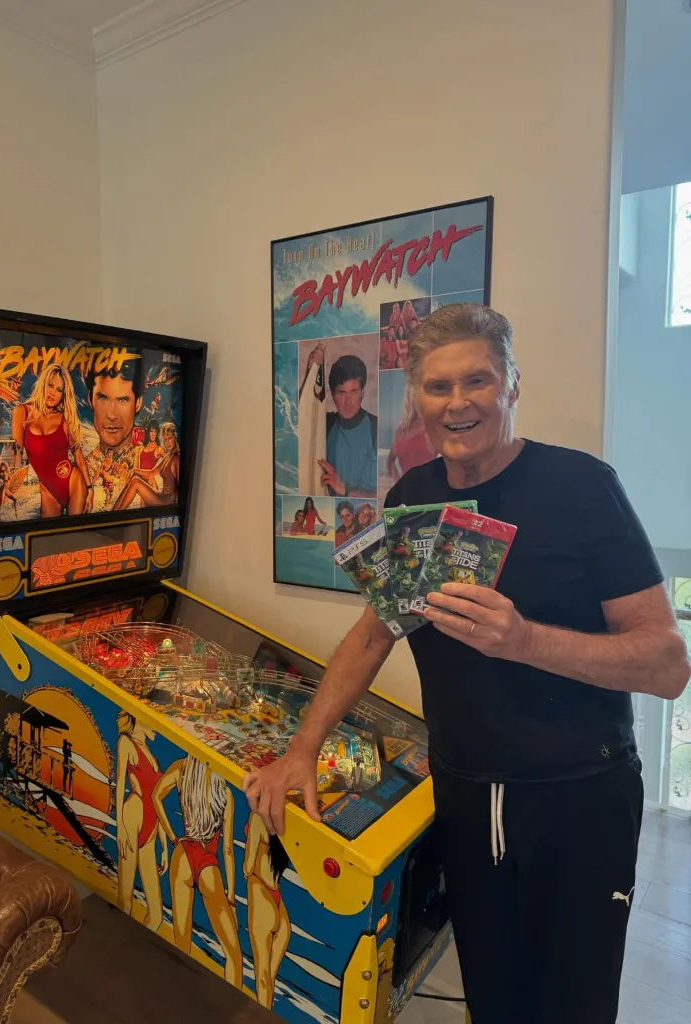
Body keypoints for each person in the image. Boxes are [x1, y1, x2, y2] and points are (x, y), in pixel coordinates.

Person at [243, 303, 691, 1024]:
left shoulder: (583, 487)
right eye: (438, 387)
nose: (458, 403)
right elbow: (373, 633)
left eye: (477, 381)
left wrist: (524, 640)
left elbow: (668, 663)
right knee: (492, 997)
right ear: (416, 400)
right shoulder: (411, 497)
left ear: (511, 385)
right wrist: (302, 749)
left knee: (572, 1004)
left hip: (579, 794)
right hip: (463, 785)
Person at [152, 755, 243, 987]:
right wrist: (231, 898)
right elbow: (229, 850)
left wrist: (173, 839)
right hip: (207, 863)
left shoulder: (181, 768)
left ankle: (181, 997)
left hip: (182, 854)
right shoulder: (225, 791)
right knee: (233, 954)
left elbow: (156, 796)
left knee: (181, 939)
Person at [11, 364, 93, 518]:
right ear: (43, 383)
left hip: (73, 482)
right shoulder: (22, 412)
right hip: (47, 491)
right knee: (49, 538)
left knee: (76, 535)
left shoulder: (64, 419)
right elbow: (17, 451)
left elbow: (78, 454)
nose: (52, 393)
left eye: (59, 390)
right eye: (50, 385)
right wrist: (14, 479)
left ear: (63, 394)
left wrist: (90, 488)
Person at [115, 711, 167, 933]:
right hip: (133, 814)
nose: (158, 725)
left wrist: (165, 847)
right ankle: (116, 951)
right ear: (138, 719)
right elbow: (119, 784)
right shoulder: (126, 742)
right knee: (125, 898)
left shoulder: (151, 754)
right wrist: (120, 827)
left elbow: (158, 802)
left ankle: (134, 949)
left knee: (156, 916)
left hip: (152, 823)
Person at [243, 812, 291, 1009]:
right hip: (279, 906)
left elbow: (247, 866)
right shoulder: (288, 818)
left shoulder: (258, 817)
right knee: (269, 979)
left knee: (262, 977)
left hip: (260, 890)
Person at [85, 358, 144, 511]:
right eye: (103, 398)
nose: (112, 415)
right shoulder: (81, 469)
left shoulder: (148, 461)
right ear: (90, 399)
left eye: (123, 400)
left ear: (138, 403)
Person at [320, 354, 378, 498]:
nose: (348, 402)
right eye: (342, 393)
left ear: (362, 392)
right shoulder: (325, 424)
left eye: (354, 391)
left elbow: (384, 495)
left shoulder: (376, 427)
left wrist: (344, 489)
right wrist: (312, 367)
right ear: (333, 395)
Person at [112, 421, 180, 511]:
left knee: (136, 481)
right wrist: (134, 470)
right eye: (165, 440)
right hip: (161, 495)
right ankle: (114, 512)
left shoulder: (177, 458)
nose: (168, 443)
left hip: (166, 502)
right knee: (134, 480)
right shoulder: (168, 456)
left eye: (170, 438)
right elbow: (150, 473)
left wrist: (175, 507)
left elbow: (182, 487)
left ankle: (116, 515)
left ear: (175, 437)